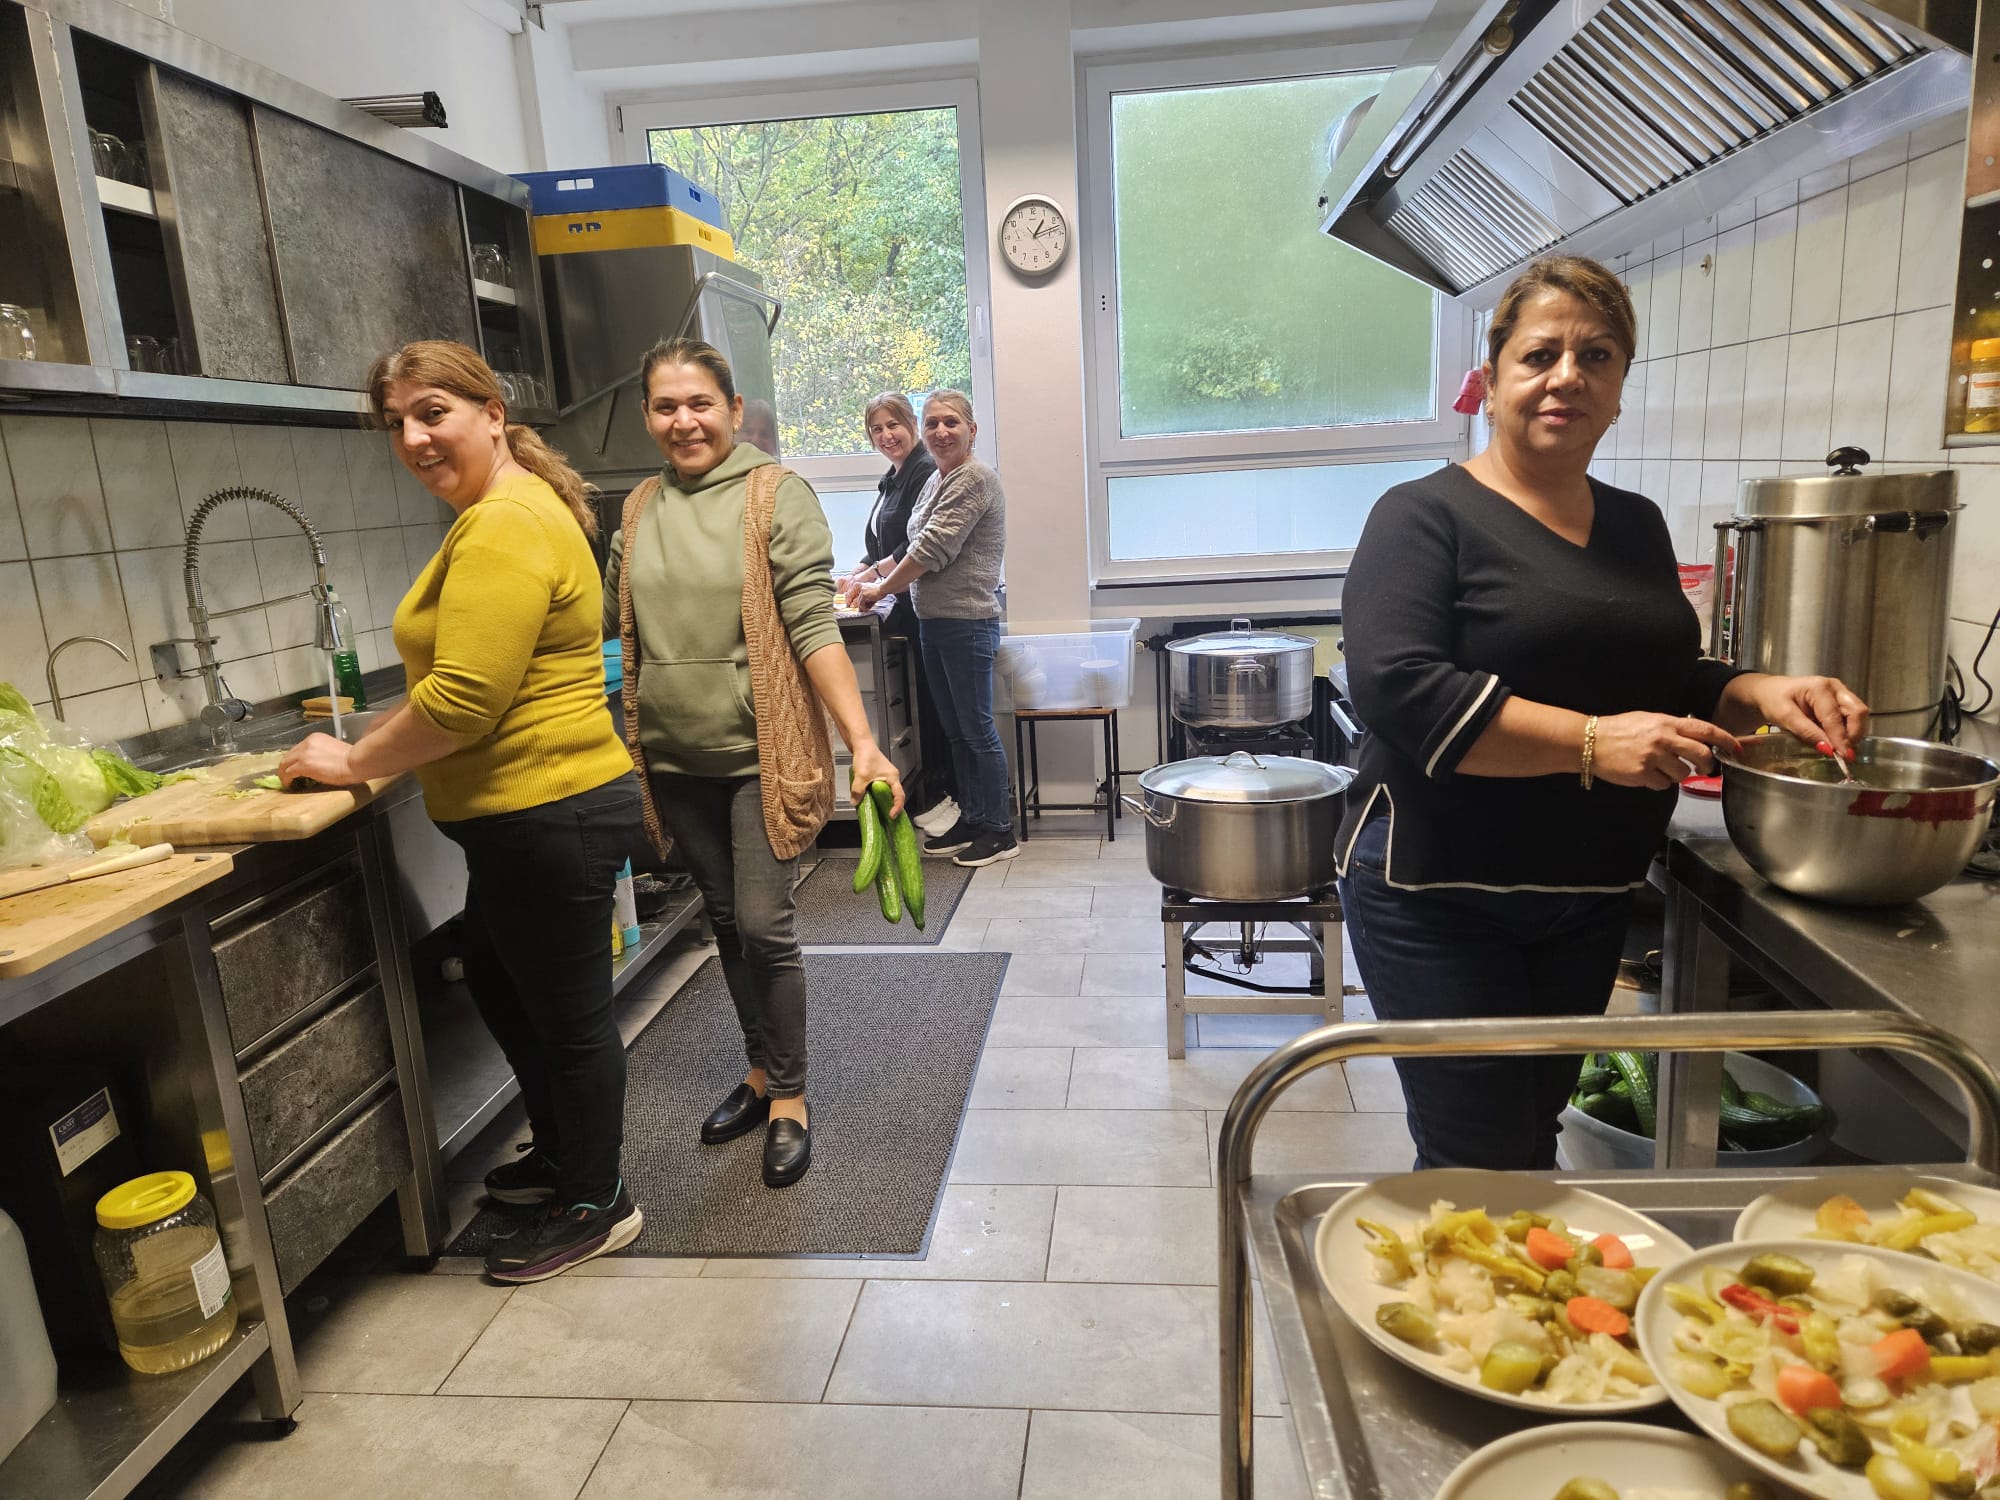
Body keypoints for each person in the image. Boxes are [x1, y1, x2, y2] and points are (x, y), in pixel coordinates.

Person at [1335, 255, 1868, 1173]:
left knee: (1528, 1135)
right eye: (1540, 355)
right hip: (1439, 890)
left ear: (1619, 390)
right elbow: (1400, 687)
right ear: (1491, 378)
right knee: (1481, 1154)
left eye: (1597, 357)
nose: (1567, 377)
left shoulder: (1634, 524)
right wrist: (1590, 742)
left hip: (1585, 893)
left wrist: (1753, 690)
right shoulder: (1423, 516)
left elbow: (1652, 670)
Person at [280, 340, 646, 1281]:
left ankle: (599, 1202)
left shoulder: (504, 522)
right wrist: (374, 743)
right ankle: (566, 1158)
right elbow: (455, 680)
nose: (413, 437)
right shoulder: (499, 510)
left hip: (550, 809)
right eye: (397, 422)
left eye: (432, 412)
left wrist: (354, 758)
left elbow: (463, 701)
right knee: (497, 974)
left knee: (568, 1018)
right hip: (531, 815)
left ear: (492, 412)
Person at [608, 337, 901, 1189]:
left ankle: (792, 1096)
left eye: (700, 403)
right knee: (727, 923)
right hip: (674, 758)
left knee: (766, 926)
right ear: (647, 417)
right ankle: (760, 1071)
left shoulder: (774, 494)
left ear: (733, 410)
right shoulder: (637, 510)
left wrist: (862, 741)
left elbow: (811, 622)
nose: (684, 421)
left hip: (758, 756)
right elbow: (617, 627)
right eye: (666, 406)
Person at [852, 391, 1013, 867]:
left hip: (967, 623)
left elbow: (931, 551)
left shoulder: (973, 479)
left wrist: (879, 588)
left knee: (977, 732)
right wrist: (869, 574)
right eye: (932, 424)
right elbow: (913, 542)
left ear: (971, 430)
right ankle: (973, 817)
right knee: (956, 732)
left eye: (951, 423)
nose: (941, 432)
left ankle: (1000, 830)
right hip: (935, 622)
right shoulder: (938, 479)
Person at [843, 391, 957, 832]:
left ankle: (947, 797)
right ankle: (935, 796)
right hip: (899, 605)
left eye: (893, 425)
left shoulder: (924, 471)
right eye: (877, 429)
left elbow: (914, 546)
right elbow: (880, 544)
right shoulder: (892, 478)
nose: (886, 435)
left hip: (921, 606)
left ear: (911, 424)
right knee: (924, 706)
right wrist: (855, 572)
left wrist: (874, 576)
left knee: (935, 710)